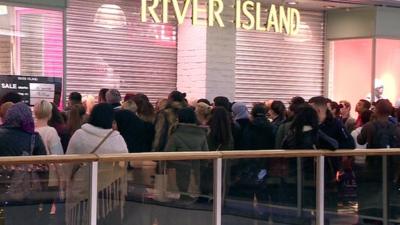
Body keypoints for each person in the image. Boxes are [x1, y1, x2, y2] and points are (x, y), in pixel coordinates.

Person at [66, 103, 128, 225]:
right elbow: (123, 166)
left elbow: (68, 163)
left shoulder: (79, 135)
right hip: (108, 194)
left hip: (82, 189)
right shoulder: (117, 139)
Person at [0, 102, 47, 225]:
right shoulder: (34, 138)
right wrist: (43, 193)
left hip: (3, 190)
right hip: (28, 192)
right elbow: (44, 168)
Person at [164, 107, 208, 201]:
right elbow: (206, 154)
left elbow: (168, 154)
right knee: (192, 192)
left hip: (179, 169)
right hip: (195, 169)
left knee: (181, 190)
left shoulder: (175, 134)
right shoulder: (202, 134)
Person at [33, 100, 65, 217]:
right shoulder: (51, 131)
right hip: (49, 177)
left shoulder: (31, 130)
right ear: (50, 114)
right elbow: (58, 157)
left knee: (35, 210)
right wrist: (62, 178)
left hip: (34, 177)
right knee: (47, 211)